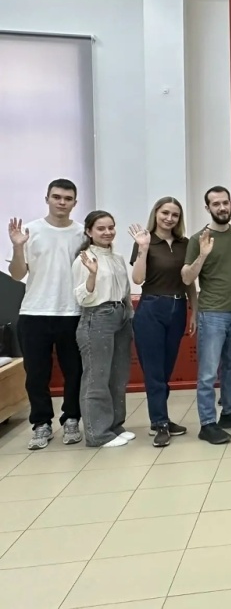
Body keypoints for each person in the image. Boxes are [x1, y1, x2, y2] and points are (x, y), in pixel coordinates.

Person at [7, 179, 86, 450]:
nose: (62, 202)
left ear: (75, 202)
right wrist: (18, 247)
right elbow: (17, 274)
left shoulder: (82, 234)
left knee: (74, 371)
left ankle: (72, 419)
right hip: (34, 312)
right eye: (57, 197)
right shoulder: (30, 231)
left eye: (67, 198)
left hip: (72, 312)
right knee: (36, 374)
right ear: (47, 199)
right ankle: (41, 423)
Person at [182, 186, 231, 445]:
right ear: (208, 208)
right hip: (212, 314)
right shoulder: (197, 239)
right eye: (216, 204)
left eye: (225, 202)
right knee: (208, 373)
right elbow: (187, 277)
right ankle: (207, 424)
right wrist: (202, 255)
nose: (222, 207)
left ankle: (229, 412)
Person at [129, 197, 197, 447]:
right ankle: (159, 422)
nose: (169, 218)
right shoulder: (144, 241)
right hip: (151, 308)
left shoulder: (185, 244)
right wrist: (143, 248)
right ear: (156, 213)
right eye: (165, 213)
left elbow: (189, 281)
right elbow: (138, 279)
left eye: (175, 215)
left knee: (166, 369)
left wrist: (194, 310)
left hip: (178, 308)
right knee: (154, 370)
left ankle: (161, 418)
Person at [72, 211, 133, 448]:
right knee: (96, 377)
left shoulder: (117, 257)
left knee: (118, 376)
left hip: (121, 315)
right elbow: (82, 296)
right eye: (101, 228)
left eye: (111, 227)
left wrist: (129, 314)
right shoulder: (84, 259)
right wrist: (92, 275)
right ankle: (97, 433)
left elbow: (125, 290)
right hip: (97, 316)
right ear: (89, 231)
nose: (107, 232)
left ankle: (114, 426)